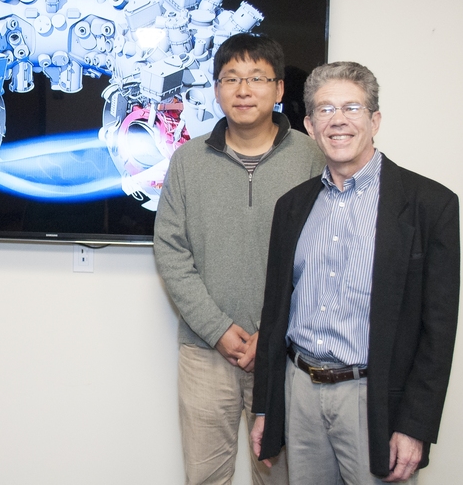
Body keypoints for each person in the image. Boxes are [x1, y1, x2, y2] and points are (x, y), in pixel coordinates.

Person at [251, 61, 460, 484]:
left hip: (373, 398)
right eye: (325, 110)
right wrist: (265, 407)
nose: (338, 120)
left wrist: (415, 425)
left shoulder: (430, 205)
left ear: (375, 120)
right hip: (299, 392)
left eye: (352, 108)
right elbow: (274, 317)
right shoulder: (291, 206)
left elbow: (438, 330)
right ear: (310, 126)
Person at [154, 33, 324, 485]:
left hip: (287, 353)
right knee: (205, 477)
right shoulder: (188, 160)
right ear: (216, 89)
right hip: (206, 352)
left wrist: (273, 331)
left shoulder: (312, 158)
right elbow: (170, 250)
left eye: (257, 78)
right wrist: (217, 329)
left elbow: (323, 256)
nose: (243, 90)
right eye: (231, 78)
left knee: (282, 477)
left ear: (279, 88)